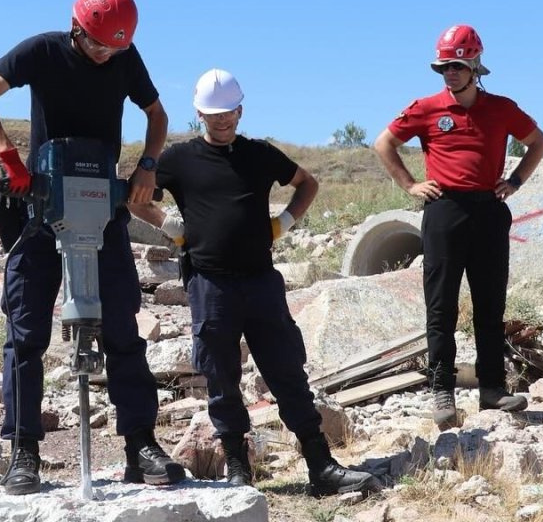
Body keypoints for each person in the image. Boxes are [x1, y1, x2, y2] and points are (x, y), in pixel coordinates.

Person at [0, 0, 184, 495]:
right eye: (100, 44)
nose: (108, 55)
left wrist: (147, 164)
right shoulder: (41, 51)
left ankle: (140, 446)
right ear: (78, 28)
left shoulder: (125, 57)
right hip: (41, 207)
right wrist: (8, 155)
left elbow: (157, 113)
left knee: (123, 327)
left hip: (102, 207)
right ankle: (24, 452)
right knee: (27, 334)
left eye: (116, 47)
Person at [130, 68, 380, 496]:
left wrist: (283, 223)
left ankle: (321, 467)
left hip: (261, 282)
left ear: (240, 110)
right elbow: (135, 193)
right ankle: (237, 471)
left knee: (287, 373)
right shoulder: (179, 160)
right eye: (213, 114)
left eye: (228, 112)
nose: (222, 120)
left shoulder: (261, 154)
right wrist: (169, 224)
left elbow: (307, 183)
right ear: (199, 114)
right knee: (221, 378)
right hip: (210, 285)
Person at [372, 24, 543, 429]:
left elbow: (538, 142)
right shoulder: (425, 107)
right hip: (444, 210)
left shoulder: (502, 108)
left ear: (474, 65)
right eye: (442, 67)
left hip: (489, 209)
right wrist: (410, 184)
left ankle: (493, 389)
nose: (448, 73)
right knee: (441, 306)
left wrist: (517, 180)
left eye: (454, 65)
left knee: (490, 304)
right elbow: (384, 143)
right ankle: (442, 392)